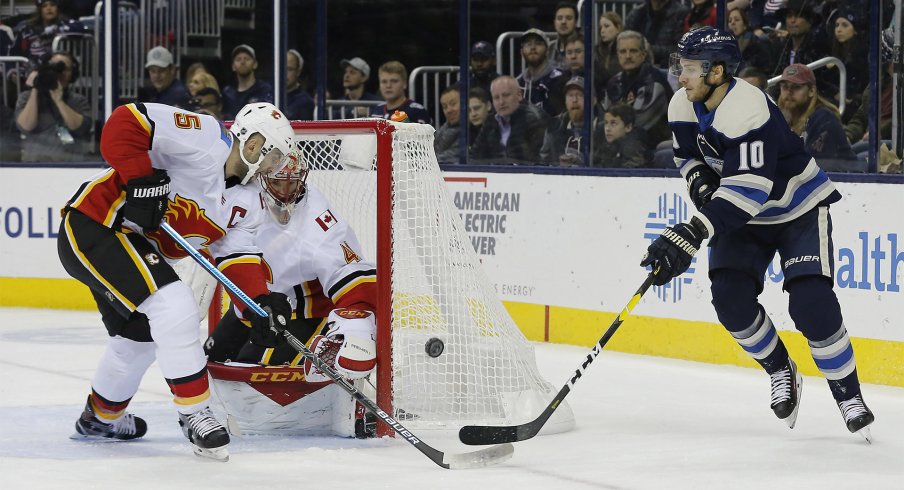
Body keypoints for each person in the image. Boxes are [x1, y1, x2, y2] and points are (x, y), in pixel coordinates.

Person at [642, 27, 874, 441]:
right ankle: (781, 369)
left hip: (796, 208)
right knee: (729, 300)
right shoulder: (683, 102)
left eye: (690, 68)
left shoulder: (748, 109)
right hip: (742, 216)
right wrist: (697, 181)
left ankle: (847, 394)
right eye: (680, 66)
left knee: (811, 303)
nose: (681, 76)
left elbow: (749, 192)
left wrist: (693, 230)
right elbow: (685, 154)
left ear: (716, 72)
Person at [56, 101, 299, 460]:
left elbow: (238, 258)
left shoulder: (247, 202)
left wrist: (259, 303)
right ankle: (194, 411)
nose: (273, 167)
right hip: (97, 224)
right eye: (273, 156)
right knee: (174, 304)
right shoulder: (204, 138)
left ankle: (101, 418)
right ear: (253, 144)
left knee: (137, 339)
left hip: (131, 244)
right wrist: (141, 179)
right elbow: (125, 122)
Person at [776, 63, 858, 171]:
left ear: (811, 91)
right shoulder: (781, 119)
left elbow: (811, 168)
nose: (789, 92)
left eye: (796, 87)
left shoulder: (823, 118)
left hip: (846, 183)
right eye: (785, 87)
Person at [14, 50, 92, 161]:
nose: (60, 73)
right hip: (34, 166)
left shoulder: (79, 100)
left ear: (72, 74)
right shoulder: (26, 97)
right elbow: (26, 127)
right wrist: (36, 87)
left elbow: (79, 128)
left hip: (70, 166)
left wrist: (59, 101)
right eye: (54, 68)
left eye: (66, 69)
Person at [601, 30, 673, 146]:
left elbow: (636, 125)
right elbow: (606, 118)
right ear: (618, 55)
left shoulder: (654, 82)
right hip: (621, 146)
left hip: (652, 149)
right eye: (623, 51)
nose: (628, 56)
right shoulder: (614, 82)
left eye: (633, 51)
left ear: (643, 55)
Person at [471, 75, 546, 165]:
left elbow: (539, 160)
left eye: (506, 95)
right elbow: (475, 157)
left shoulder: (534, 119)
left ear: (519, 95)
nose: (501, 102)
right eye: (496, 98)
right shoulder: (491, 121)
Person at [768, 0, 829, 78]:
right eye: (789, 16)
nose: (793, 21)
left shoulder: (818, 48)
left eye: (798, 16)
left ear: (810, 21)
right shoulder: (781, 49)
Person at [11, 0, 86, 62]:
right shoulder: (26, 29)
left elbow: (80, 28)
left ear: (57, 8)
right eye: (44, 6)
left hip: (58, 68)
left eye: (52, 5)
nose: (49, 8)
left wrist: (55, 29)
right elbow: (13, 53)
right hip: (32, 68)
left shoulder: (65, 23)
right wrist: (13, 72)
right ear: (40, 10)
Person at [516, 28, 566, 120]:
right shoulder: (518, 83)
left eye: (538, 43)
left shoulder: (559, 77)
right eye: (528, 44)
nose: (533, 47)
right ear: (521, 52)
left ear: (547, 50)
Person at [624, 0, 690, 67]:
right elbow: (625, 42)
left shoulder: (682, 14)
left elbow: (682, 50)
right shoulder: (636, 13)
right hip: (639, 66)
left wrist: (650, 49)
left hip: (668, 68)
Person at [539, 76, 587, 166]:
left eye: (580, 95)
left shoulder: (602, 127)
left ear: (593, 100)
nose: (574, 100)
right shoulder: (554, 126)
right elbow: (544, 161)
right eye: (570, 95)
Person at [369, 61, 431, 125]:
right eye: (384, 82)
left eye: (394, 81)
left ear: (404, 84)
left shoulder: (416, 111)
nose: (388, 85)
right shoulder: (377, 110)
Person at [222, 44, 274, 120]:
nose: (242, 62)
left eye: (247, 59)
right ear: (233, 66)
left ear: (255, 64)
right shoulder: (227, 94)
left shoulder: (265, 90)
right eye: (238, 59)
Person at [591, 103, 650, 168]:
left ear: (628, 127)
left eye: (613, 123)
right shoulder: (601, 141)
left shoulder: (633, 149)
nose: (607, 128)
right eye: (606, 123)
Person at [726, 7, 774, 74]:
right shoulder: (726, 45)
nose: (732, 23)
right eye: (730, 21)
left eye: (737, 20)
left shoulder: (755, 43)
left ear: (745, 25)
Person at [593, 11, 624, 98]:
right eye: (600, 28)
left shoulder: (624, 50)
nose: (602, 31)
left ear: (618, 28)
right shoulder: (596, 51)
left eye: (606, 26)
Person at [434, 85, 464, 163]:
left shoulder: (470, 131)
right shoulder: (441, 130)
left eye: (453, 104)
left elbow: (455, 154)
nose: (449, 110)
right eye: (445, 107)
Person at [547, 2, 579, 70]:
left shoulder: (585, 47)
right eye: (559, 18)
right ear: (554, 22)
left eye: (569, 18)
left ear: (576, 22)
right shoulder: (549, 48)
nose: (563, 22)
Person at [285, 49, 314, 120]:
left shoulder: (305, 102)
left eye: (289, 69)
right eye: (281, 68)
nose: (284, 73)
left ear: (298, 72)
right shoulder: (267, 96)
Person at [467, 87, 492, 153]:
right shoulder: (465, 133)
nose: (473, 114)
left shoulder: (500, 131)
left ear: (489, 106)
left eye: (477, 108)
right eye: (469, 110)